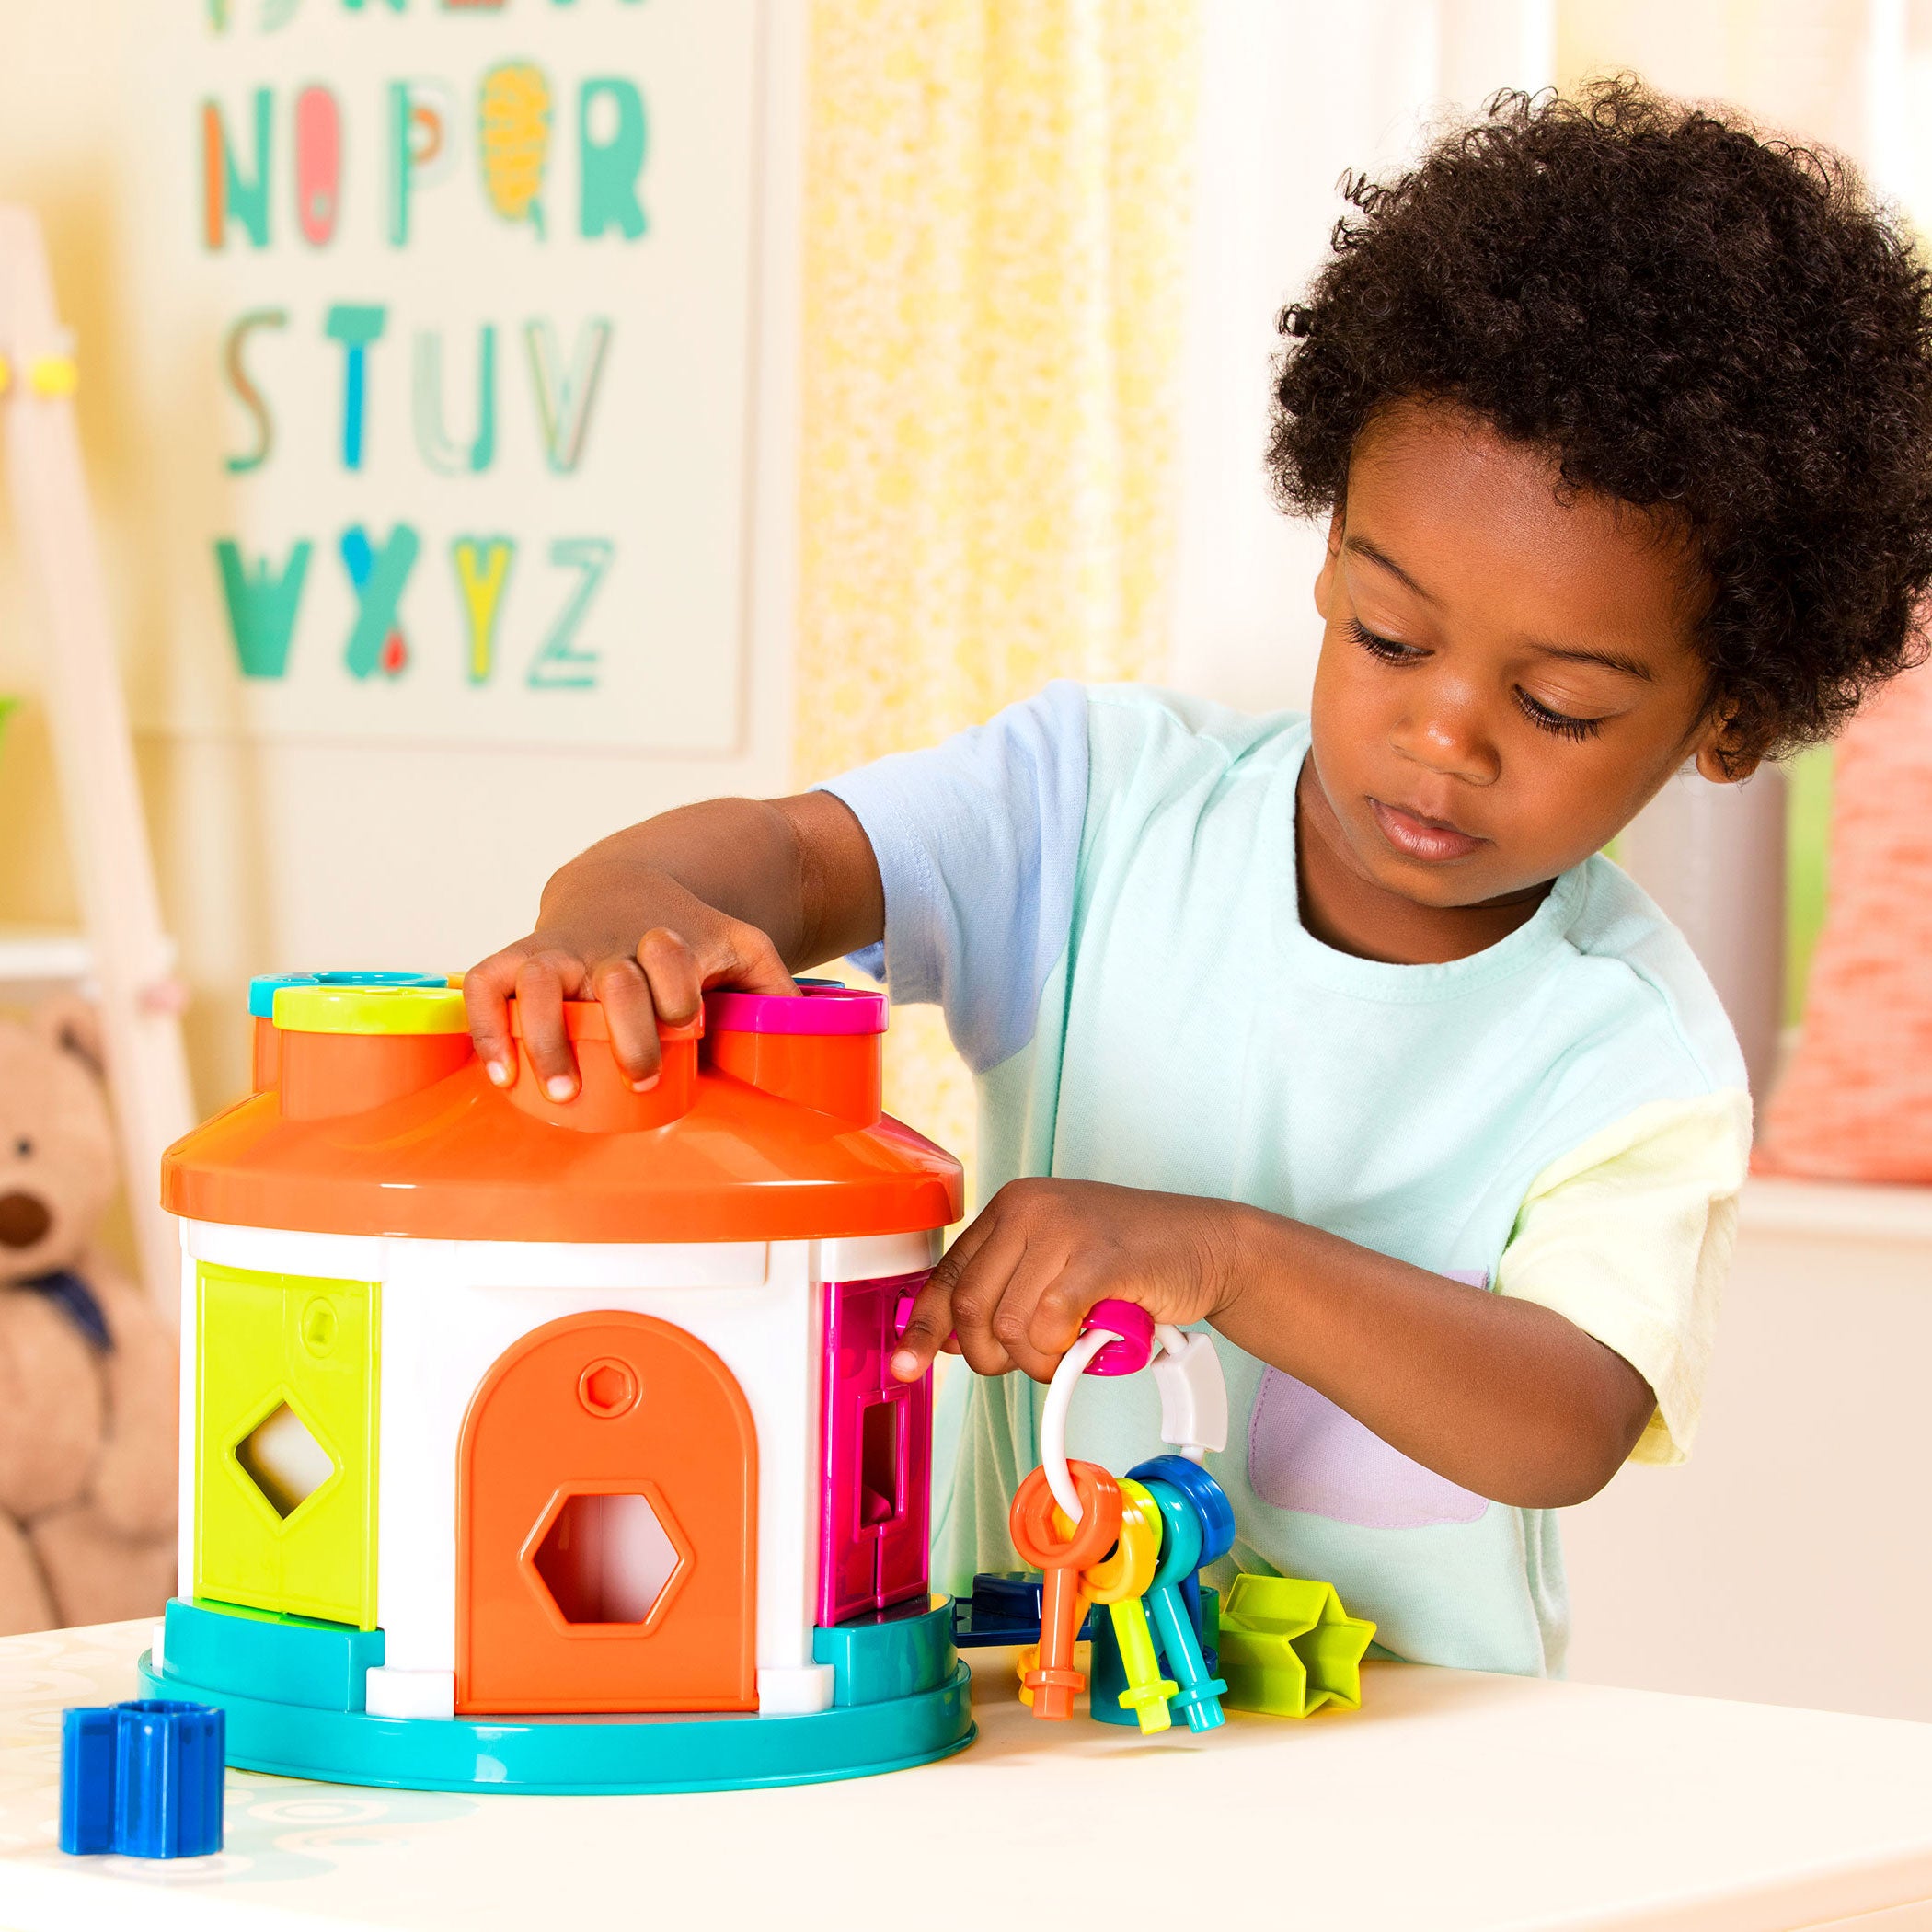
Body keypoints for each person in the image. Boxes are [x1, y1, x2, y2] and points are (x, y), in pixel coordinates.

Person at [463, 81, 1932, 1673]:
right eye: (1387, 634)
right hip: (1025, 1703)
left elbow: (1566, 1416)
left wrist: (1224, 1255)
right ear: (1329, 554)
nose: (1442, 732)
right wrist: (620, 903)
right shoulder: (1096, 809)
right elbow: (798, 859)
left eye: (1557, 705)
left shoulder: (1626, 1051)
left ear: (1728, 723)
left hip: (1413, 1776)